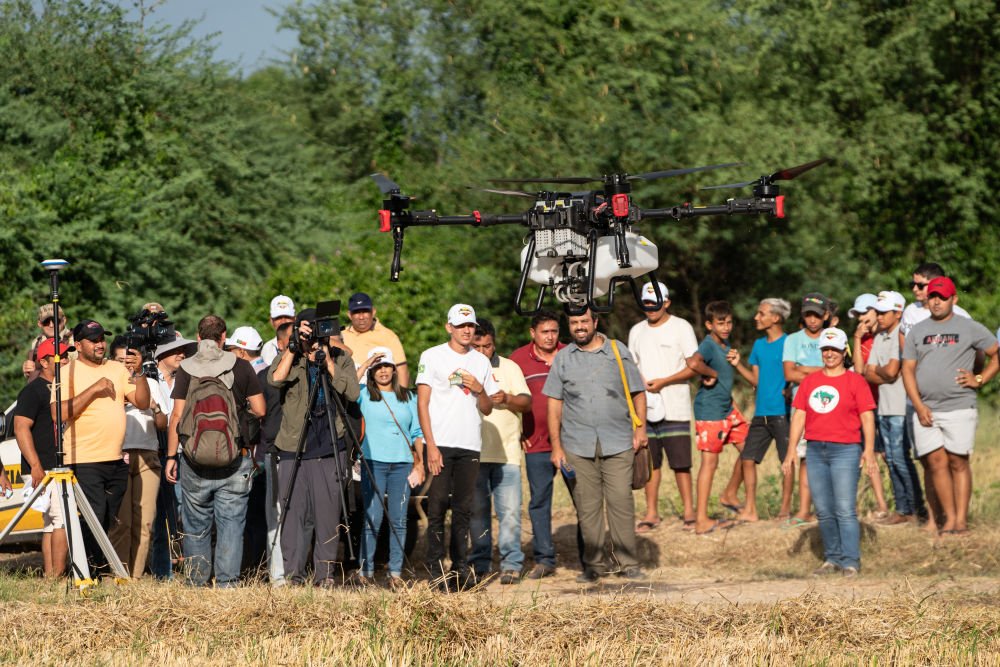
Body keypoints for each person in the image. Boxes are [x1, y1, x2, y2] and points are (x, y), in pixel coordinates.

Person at [544, 307, 647, 583]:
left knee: (621, 503)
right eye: (574, 322)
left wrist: (641, 430)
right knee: (587, 508)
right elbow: (554, 405)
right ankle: (594, 567)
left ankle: (628, 563)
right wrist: (556, 447)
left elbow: (637, 391)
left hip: (619, 442)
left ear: (595, 322)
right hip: (577, 445)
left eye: (584, 321)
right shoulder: (563, 358)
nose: (580, 326)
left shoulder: (616, 350)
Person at [165, 316, 266, 588]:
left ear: (198, 338)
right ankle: (227, 585)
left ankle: (197, 584)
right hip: (236, 457)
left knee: (196, 526)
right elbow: (260, 410)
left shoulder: (186, 368)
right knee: (231, 526)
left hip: (193, 459)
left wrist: (172, 456)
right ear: (224, 337)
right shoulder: (242, 367)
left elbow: (176, 416)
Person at [268, 309, 361, 586]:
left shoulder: (341, 357)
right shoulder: (291, 355)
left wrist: (328, 360)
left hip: (329, 447)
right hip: (292, 447)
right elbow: (275, 379)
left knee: (328, 517)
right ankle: (294, 578)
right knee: (293, 516)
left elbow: (353, 393)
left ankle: (325, 577)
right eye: (309, 328)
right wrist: (294, 346)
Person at [51, 319, 149, 575]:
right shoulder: (67, 371)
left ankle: (90, 567)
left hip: (116, 460)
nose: (100, 344)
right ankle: (87, 572)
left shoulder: (116, 368)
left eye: (102, 339)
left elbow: (141, 402)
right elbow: (57, 414)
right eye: (93, 340)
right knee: (94, 516)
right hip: (83, 459)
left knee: (107, 518)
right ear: (78, 344)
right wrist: (93, 390)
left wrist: (139, 373)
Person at [901, 277, 998, 536]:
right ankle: (948, 520)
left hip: (959, 406)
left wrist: (979, 379)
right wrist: (918, 405)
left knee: (958, 461)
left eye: (942, 297)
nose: (936, 301)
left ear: (954, 299)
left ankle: (961, 523)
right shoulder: (917, 331)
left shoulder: (969, 327)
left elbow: (995, 353)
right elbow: (907, 370)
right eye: (932, 296)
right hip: (926, 408)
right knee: (935, 462)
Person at [416, 303, 498, 590]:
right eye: (461, 325)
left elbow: (487, 408)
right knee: (437, 508)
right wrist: (431, 447)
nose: (466, 330)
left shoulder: (482, 362)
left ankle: (460, 570)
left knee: (463, 510)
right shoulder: (432, 356)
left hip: (469, 444)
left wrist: (480, 389)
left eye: (470, 325)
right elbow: (422, 404)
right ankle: (436, 571)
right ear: (449, 327)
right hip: (441, 444)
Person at [782, 328, 876, 577]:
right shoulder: (810, 381)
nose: (830, 353)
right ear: (821, 351)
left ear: (844, 350)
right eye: (826, 349)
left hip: (845, 450)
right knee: (823, 508)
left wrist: (869, 450)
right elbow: (799, 415)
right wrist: (791, 450)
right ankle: (832, 558)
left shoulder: (856, 381)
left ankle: (850, 561)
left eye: (835, 349)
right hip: (815, 450)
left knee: (844, 507)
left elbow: (867, 417)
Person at [627, 282, 698, 531]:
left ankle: (690, 512)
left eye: (656, 302)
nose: (651, 307)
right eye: (646, 303)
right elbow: (631, 366)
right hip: (645, 407)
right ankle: (651, 514)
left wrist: (665, 381)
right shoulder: (636, 331)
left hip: (675, 404)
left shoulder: (682, 327)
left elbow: (693, 366)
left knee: (681, 462)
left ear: (666, 302)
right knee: (650, 462)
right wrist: (641, 384)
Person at [469, 318, 531, 585]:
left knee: (509, 512)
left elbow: (527, 402)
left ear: (494, 343)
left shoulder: (509, 367)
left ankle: (511, 564)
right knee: (478, 513)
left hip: (506, 453)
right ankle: (481, 564)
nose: (483, 351)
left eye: (488, 346)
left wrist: (507, 398)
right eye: (478, 346)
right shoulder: (463, 369)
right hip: (473, 452)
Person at [357, 347, 424, 587]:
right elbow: (345, 388)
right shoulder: (363, 394)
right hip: (373, 462)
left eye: (386, 366)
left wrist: (421, 462)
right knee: (372, 517)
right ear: (371, 372)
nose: (383, 371)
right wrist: (365, 363)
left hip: (402, 463)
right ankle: (365, 571)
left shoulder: (409, 397)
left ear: (394, 370)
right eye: (378, 367)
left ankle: (395, 572)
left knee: (399, 519)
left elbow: (417, 432)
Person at [509, 308, 566, 579]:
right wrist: (518, 430)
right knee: (539, 500)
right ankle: (544, 559)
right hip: (536, 443)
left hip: (572, 443)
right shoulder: (518, 359)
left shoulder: (570, 354)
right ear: (533, 333)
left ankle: (592, 558)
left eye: (554, 331)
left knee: (583, 499)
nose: (550, 336)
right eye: (545, 331)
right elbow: (511, 397)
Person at [863, 290, 926, 525]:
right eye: (878, 312)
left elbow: (888, 372)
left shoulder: (902, 337)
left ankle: (916, 510)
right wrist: (884, 372)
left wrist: (881, 371)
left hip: (900, 407)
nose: (878, 316)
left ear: (898, 313)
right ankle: (902, 509)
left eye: (883, 312)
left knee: (901, 459)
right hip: (884, 407)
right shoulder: (879, 337)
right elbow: (873, 373)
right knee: (890, 459)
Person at [686, 301, 749, 534]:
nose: (726, 327)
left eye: (729, 322)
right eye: (720, 323)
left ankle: (729, 493)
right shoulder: (709, 345)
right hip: (710, 411)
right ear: (709, 324)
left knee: (750, 449)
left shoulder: (725, 344)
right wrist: (710, 373)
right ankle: (701, 519)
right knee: (709, 464)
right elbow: (693, 362)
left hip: (727, 409)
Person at [731, 298, 792, 523]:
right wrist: (738, 364)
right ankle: (750, 510)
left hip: (782, 413)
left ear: (776, 318)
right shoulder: (758, 345)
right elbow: (755, 380)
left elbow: (794, 374)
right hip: (760, 413)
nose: (756, 317)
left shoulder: (789, 343)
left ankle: (785, 509)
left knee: (786, 461)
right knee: (747, 458)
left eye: (761, 313)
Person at [14, 338, 71, 577]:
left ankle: (50, 577)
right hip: (45, 467)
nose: (66, 360)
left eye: (67, 355)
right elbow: (20, 428)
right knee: (62, 520)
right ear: (44, 362)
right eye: (61, 356)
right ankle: (57, 577)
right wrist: (36, 466)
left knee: (51, 523)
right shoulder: (33, 390)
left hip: (59, 465)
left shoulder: (64, 387)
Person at [108, 337, 165, 578]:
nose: (126, 365)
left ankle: (137, 577)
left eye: (130, 360)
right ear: (112, 360)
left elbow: (163, 424)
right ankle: (118, 575)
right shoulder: (109, 382)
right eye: (121, 360)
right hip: (118, 455)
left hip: (148, 456)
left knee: (145, 522)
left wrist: (155, 407)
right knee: (121, 522)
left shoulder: (150, 381)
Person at [149, 335, 197, 580]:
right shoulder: (147, 380)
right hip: (157, 455)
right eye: (176, 350)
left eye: (184, 350)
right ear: (160, 355)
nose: (182, 354)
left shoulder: (187, 380)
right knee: (162, 520)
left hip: (183, 455)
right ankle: (162, 572)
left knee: (188, 516)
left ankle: (192, 572)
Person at [781, 292, 831, 527]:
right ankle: (803, 510)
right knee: (805, 458)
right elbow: (789, 373)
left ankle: (827, 509)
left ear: (826, 316)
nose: (812, 320)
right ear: (802, 315)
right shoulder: (792, 340)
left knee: (831, 457)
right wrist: (821, 370)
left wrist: (804, 370)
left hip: (831, 407)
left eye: (817, 315)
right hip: (802, 408)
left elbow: (838, 371)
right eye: (808, 315)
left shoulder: (833, 338)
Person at [849, 294, 890, 520]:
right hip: (866, 405)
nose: (862, 318)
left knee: (888, 455)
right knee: (868, 454)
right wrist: (856, 338)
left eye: (865, 312)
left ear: (876, 311)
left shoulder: (887, 336)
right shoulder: (862, 340)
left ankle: (906, 505)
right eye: (858, 314)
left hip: (886, 402)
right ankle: (882, 507)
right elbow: (859, 371)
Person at [342, 292, 409, 387]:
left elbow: (401, 369)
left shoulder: (388, 336)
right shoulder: (341, 335)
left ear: (373, 312)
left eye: (365, 311)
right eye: (356, 312)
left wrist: (402, 398)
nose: (361, 317)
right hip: (347, 392)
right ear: (349, 314)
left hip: (376, 394)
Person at [23, 304, 74, 381]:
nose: (51, 325)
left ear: (64, 320)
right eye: (46, 322)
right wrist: (26, 369)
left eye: (55, 320)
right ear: (39, 324)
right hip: (41, 389)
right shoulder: (37, 341)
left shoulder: (76, 340)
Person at [261, 295, 295, 366]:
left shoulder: (304, 344)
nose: (283, 321)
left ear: (295, 318)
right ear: (271, 320)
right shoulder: (267, 348)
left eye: (287, 317)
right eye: (278, 318)